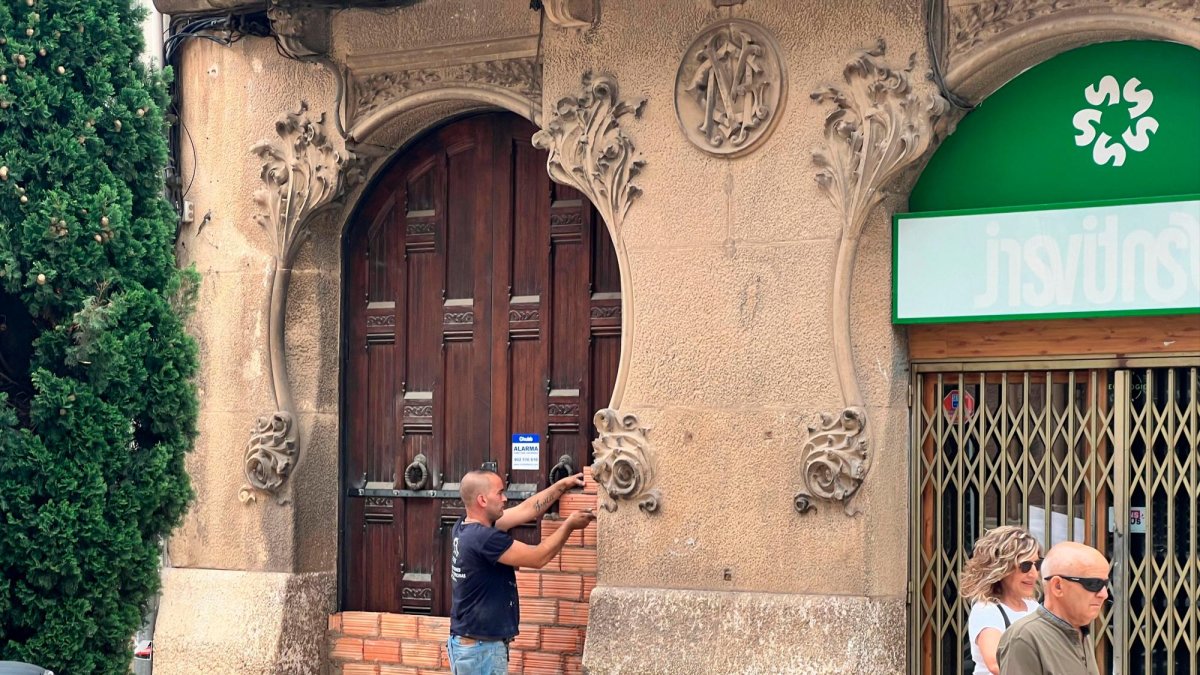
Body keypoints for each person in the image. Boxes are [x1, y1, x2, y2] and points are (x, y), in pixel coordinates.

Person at [447, 469, 595, 675]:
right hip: (481, 651)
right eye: (499, 493)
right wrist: (569, 525)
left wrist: (562, 486)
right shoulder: (484, 539)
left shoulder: (465, 526)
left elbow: (527, 509)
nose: (505, 498)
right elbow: (538, 557)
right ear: (482, 500)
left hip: (470, 645)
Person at [998, 541, 1108, 675]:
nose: (1104, 594)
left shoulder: (1079, 631)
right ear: (1058, 586)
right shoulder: (1024, 638)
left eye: (1105, 584)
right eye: (1093, 584)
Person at [959, 526, 1044, 674]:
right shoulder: (987, 610)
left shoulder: (1032, 605)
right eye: (1025, 566)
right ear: (1003, 568)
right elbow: (997, 663)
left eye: (1037, 564)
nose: (1034, 574)